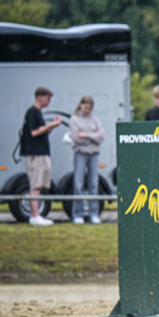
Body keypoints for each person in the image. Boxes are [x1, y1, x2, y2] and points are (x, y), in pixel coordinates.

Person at [20, 87, 61, 226]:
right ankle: (34, 216)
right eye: (48, 98)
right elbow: (34, 132)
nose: (49, 101)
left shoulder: (38, 113)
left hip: (42, 153)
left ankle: (36, 215)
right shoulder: (32, 113)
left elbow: (42, 133)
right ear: (40, 97)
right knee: (35, 185)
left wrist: (52, 126)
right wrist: (52, 124)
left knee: (40, 185)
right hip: (36, 155)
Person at [69, 95, 105, 224]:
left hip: (94, 154)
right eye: (85, 107)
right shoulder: (74, 119)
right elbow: (75, 138)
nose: (87, 110)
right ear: (81, 105)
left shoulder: (95, 120)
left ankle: (93, 213)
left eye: (89, 108)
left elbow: (101, 138)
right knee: (78, 184)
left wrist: (84, 134)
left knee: (93, 184)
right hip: (80, 154)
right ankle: (77, 214)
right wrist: (93, 136)